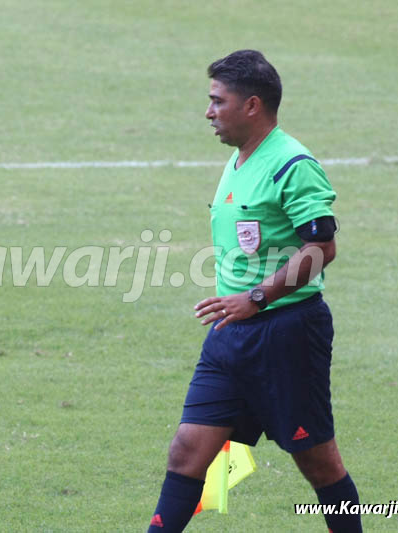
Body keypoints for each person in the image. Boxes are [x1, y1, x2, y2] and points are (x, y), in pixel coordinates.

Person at [147, 50, 361, 532]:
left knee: (319, 462)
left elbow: (321, 248)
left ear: (252, 106)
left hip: (286, 333)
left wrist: (257, 297)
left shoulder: (292, 164)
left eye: (217, 101)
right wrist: (241, 305)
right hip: (231, 334)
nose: (208, 112)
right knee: (187, 451)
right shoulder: (240, 160)